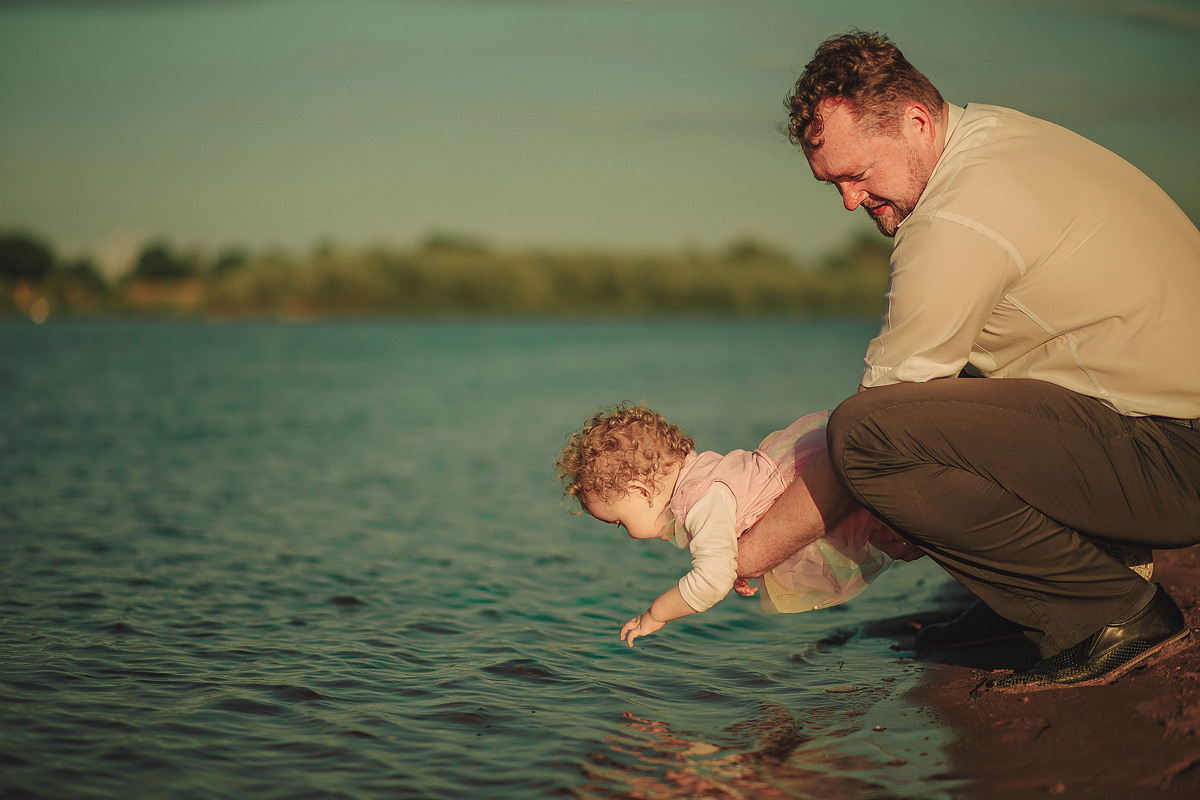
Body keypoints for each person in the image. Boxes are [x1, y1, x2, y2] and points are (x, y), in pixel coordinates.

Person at [736, 30, 1200, 692]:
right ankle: (1047, 590)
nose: (847, 200)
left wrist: (745, 552)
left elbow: (869, 438)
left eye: (856, 174)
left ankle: (1111, 613)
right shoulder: (996, 137)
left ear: (916, 121)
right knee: (944, 394)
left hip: (1176, 460)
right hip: (1159, 432)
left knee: (869, 435)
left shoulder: (955, 219)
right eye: (831, 182)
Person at [554, 403, 921, 647]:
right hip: (812, 484)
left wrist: (656, 613)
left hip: (821, 494)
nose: (626, 533)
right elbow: (745, 516)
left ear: (640, 490)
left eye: (619, 522)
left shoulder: (698, 499)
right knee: (904, 534)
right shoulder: (703, 473)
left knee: (903, 534)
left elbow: (710, 581)